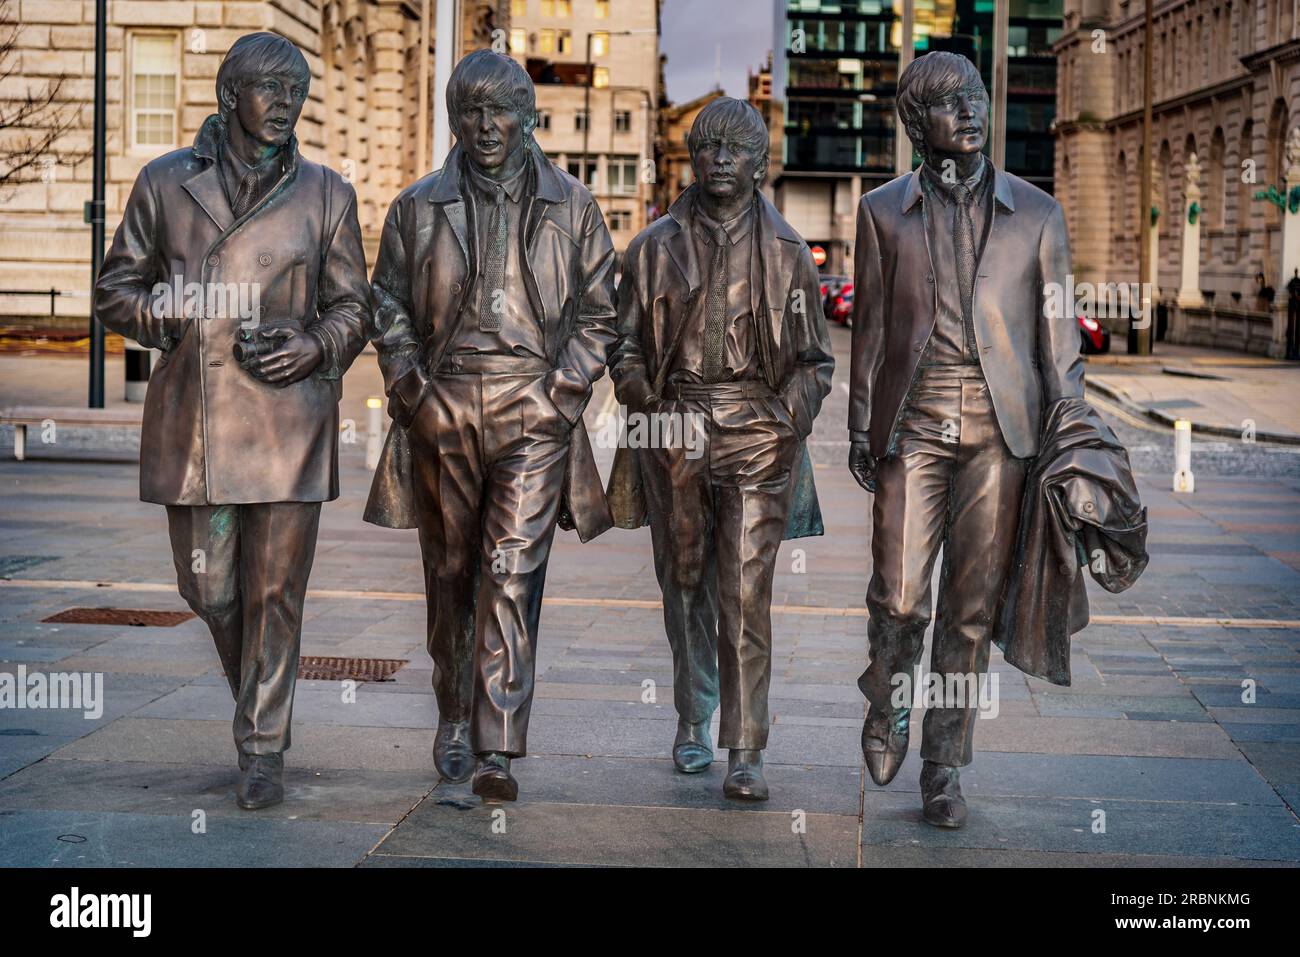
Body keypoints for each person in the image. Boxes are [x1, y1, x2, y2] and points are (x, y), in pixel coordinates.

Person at [94, 32, 370, 809]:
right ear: (229, 96)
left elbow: (357, 306)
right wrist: (168, 313)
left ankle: (262, 745)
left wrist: (316, 343)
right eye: (269, 89)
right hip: (199, 426)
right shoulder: (165, 182)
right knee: (210, 588)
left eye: (296, 90)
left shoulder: (325, 193)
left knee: (276, 593)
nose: (285, 104)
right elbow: (117, 289)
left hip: (290, 422)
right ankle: (260, 702)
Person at [363, 50, 618, 802]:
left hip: (532, 409)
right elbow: (387, 308)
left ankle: (495, 744)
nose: (484, 125)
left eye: (499, 109)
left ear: (527, 116)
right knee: (449, 575)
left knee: (510, 570)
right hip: (444, 406)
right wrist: (413, 394)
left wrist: (561, 393)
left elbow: (604, 314)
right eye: (470, 111)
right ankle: (451, 708)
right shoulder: (416, 207)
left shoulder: (573, 206)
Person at [846, 52, 1083, 828]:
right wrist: (859, 425)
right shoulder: (883, 210)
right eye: (949, 102)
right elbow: (872, 330)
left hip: (999, 432)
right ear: (918, 123)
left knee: (969, 611)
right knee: (901, 595)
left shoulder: (1038, 214)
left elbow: (1059, 346)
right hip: (911, 424)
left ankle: (944, 765)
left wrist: (1068, 438)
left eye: (975, 96)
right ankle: (887, 701)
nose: (970, 111)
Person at [606, 98, 834, 800]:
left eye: (737, 147)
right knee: (684, 583)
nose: (722, 158)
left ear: (760, 162)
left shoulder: (789, 253)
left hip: (755, 432)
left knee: (744, 592)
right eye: (709, 147)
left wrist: (783, 419)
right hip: (675, 425)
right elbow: (623, 343)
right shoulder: (651, 248)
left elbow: (814, 361)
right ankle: (693, 713)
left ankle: (745, 745)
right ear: (692, 159)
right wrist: (642, 390)